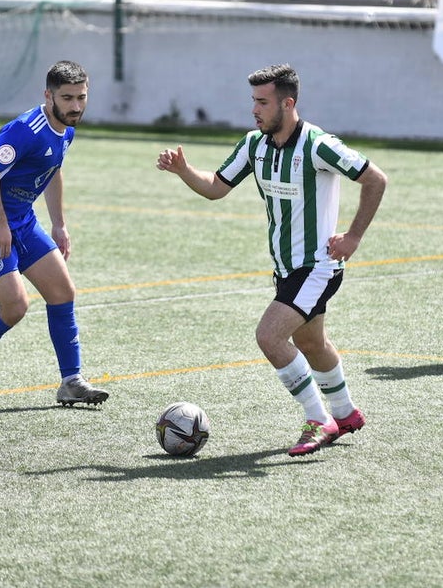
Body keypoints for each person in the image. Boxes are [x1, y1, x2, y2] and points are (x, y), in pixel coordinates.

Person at [156, 64, 387, 456]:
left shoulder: (318, 144)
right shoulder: (254, 145)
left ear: (288, 103)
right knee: (311, 341)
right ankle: (345, 412)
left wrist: (353, 236)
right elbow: (215, 188)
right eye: (253, 101)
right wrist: (183, 170)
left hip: (317, 266)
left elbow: (375, 179)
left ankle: (319, 419)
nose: (255, 110)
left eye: (262, 102)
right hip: (285, 268)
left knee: (269, 336)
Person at [0, 60, 110, 406]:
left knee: (62, 292)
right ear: (48, 96)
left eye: (81, 97)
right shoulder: (25, 130)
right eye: (67, 98)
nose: (76, 106)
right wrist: (0, 224)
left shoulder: (66, 129)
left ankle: (71, 382)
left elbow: (53, 171)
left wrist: (59, 224)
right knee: (15, 306)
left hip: (22, 221)